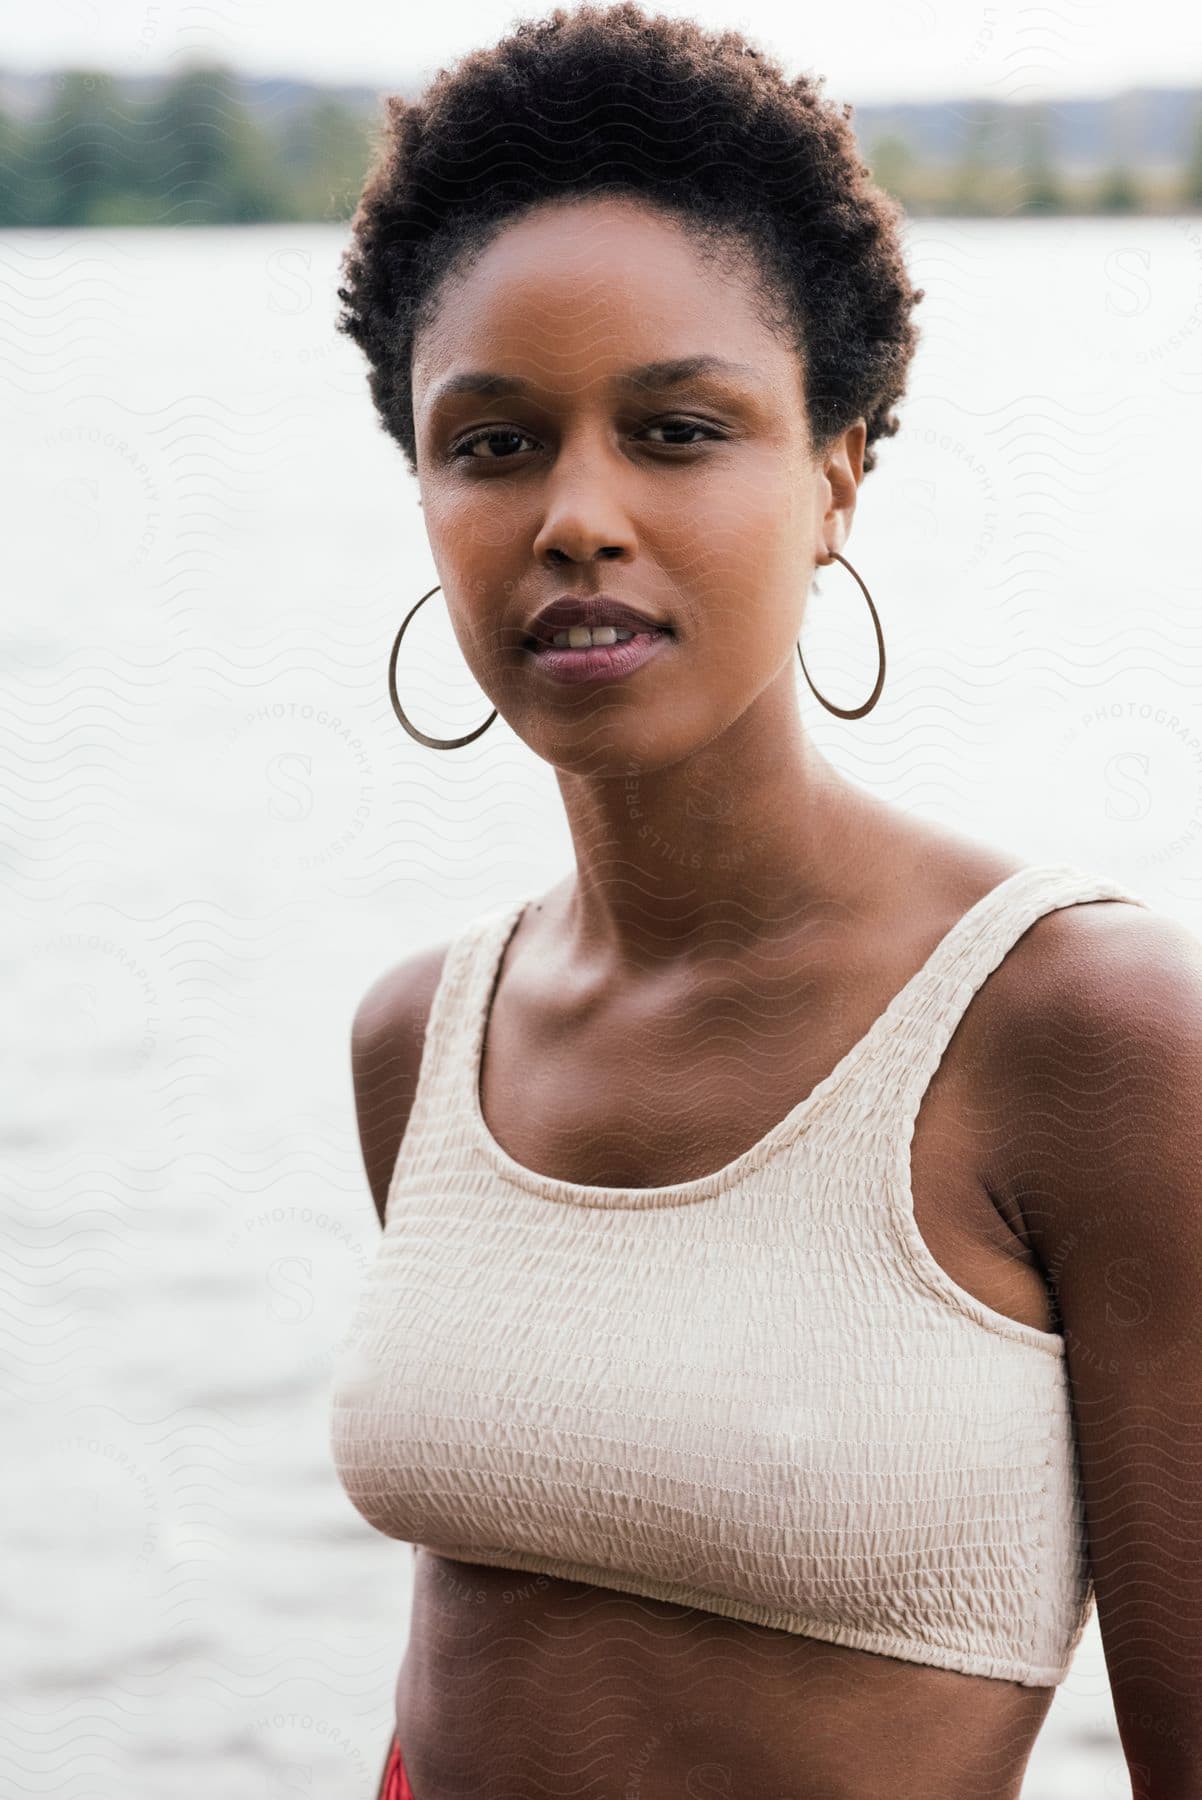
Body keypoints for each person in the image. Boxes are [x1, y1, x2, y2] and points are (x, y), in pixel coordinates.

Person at [329, 6, 1202, 1796]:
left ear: (834, 472)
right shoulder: (423, 1036)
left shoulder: (1082, 1030)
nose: (575, 514)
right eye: (490, 444)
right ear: (420, 488)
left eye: (674, 429)